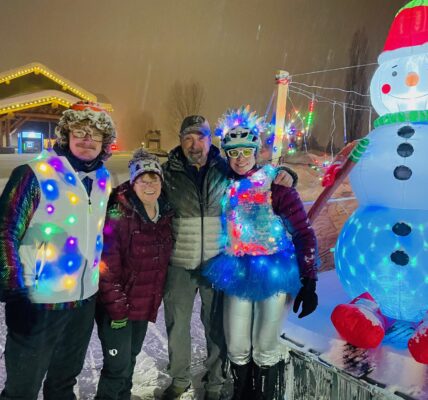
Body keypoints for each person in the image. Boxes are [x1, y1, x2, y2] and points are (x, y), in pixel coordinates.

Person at [161, 114, 297, 400]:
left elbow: (255, 172)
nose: (194, 144)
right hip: (180, 261)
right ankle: (180, 378)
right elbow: (145, 193)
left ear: (210, 140)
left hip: (216, 260)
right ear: (180, 141)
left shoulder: (224, 168)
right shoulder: (167, 173)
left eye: (200, 137)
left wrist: (285, 173)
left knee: (216, 328)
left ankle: (215, 382)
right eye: (188, 138)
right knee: (177, 325)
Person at [0, 101, 116, 400]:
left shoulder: (104, 179)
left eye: (96, 133)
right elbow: (5, 230)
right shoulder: (34, 173)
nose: (88, 139)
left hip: (83, 301)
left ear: (105, 141)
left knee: (63, 384)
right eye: (80, 131)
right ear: (66, 135)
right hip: (39, 302)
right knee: (22, 389)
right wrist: (14, 290)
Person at [202, 107, 318, 400]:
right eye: (233, 152)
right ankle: (241, 393)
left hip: (273, 271)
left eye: (246, 151)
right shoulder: (223, 184)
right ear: (226, 155)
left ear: (256, 151)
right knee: (237, 345)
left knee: (265, 345)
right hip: (237, 270)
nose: (240, 158)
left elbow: (303, 233)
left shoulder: (276, 187)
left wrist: (310, 280)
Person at [95, 149, 174, 400]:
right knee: (116, 366)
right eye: (143, 180)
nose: (149, 186)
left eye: (154, 179)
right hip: (117, 307)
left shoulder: (165, 212)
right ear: (133, 182)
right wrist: (117, 308)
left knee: (130, 358)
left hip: (143, 304)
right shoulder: (119, 212)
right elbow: (106, 265)